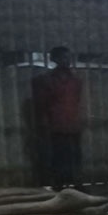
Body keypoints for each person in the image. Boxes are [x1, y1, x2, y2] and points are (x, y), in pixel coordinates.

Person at [31, 46, 84, 187]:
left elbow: (76, 101)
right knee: (60, 157)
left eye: (68, 57)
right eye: (63, 57)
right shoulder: (47, 81)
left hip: (72, 124)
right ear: (55, 59)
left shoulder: (75, 81)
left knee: (74, 156)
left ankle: (74, 182)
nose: (67, 61)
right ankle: (61, 184)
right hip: (57, 125)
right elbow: (42, 104)